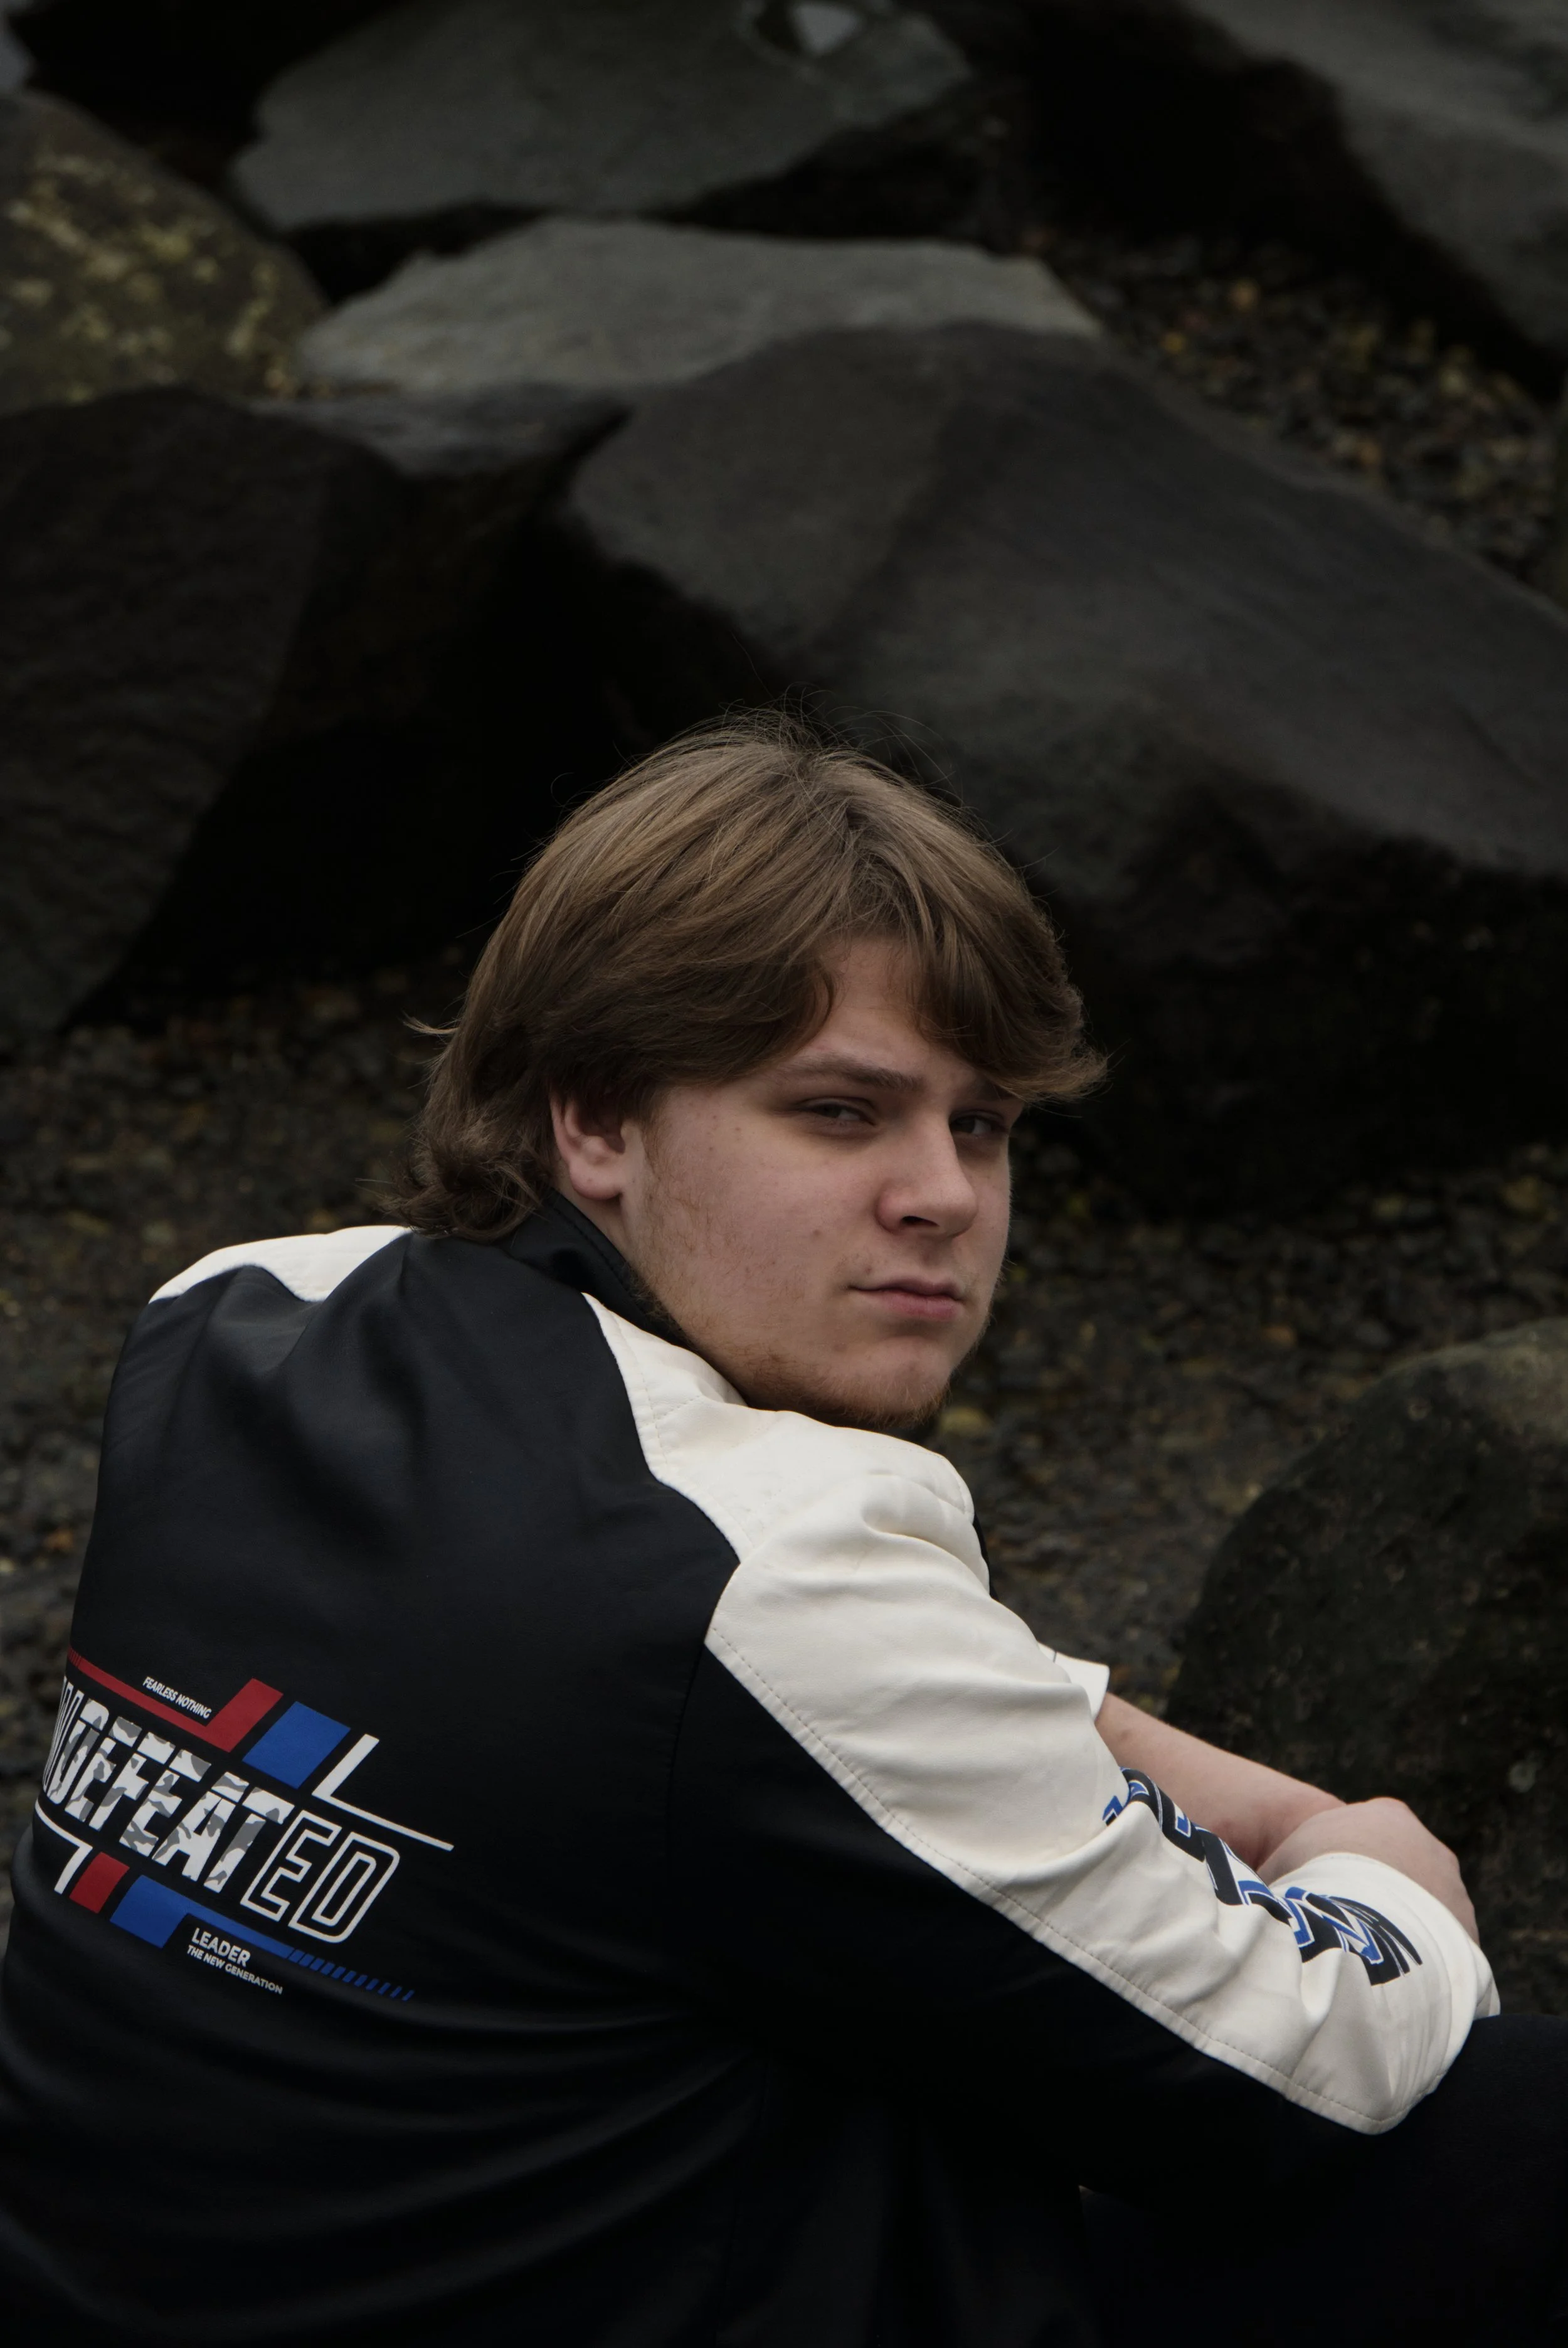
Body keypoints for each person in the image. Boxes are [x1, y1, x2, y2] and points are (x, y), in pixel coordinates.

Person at [0, 717, 1562, 2347]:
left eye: (981, 1122)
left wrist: (1267, 1801)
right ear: (594, 1120)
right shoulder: (769, 1576)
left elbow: (760, 1695)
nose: (943, 1194)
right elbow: (1307, 2074)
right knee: (1515, 2121)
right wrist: (1374, 1871)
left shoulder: (238, 1318)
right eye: (838, 1111)